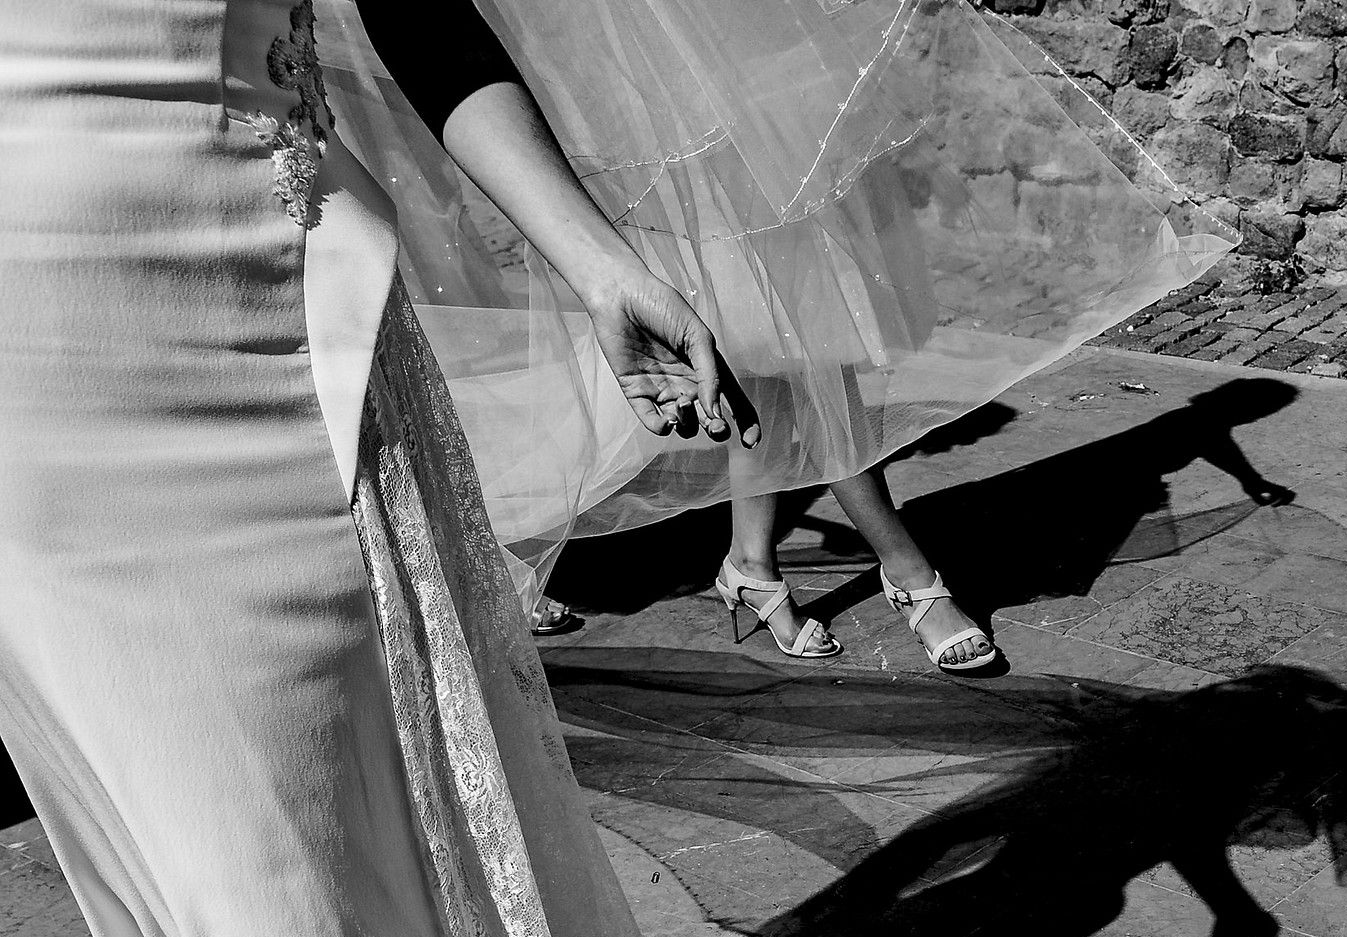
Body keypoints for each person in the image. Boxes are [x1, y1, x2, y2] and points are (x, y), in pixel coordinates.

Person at [0, 1, 751, 937]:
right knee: (200, 818)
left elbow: (414, 6)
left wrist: (594, 260)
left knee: (319, 798)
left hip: (266, 271)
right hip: (30, 323)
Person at [330, 0, 1237, 675]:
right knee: (783, 341)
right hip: (668, 97)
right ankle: (902, 568)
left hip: (776, 87)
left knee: (789, 342)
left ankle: (757, 565)